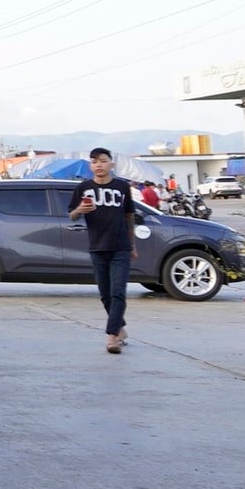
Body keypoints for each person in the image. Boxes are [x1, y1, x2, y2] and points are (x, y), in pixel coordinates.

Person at [68, 148, 139, 354]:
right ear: (90, 166)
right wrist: (80, 210)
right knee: (105, 295)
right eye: (94, 162)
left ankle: (112, 337)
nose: (98, 165)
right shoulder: (83, 188)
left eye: (103, 161)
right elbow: (71, 215)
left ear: (111, 165)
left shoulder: (121, 187)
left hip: (121, 247)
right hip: (97, 247)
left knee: (118, 292)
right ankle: (120, 327)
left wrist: (132, 244)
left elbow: (129, 216)